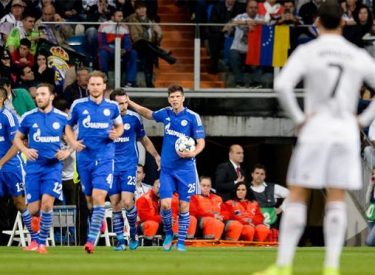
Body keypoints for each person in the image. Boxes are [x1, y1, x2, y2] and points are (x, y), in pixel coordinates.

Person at [254, 3, 375, 275]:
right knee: (336, 196)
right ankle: (331, 267)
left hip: (316, 128)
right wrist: (363, 121)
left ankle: (284, 265)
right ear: (343, 23)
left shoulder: (308, 51)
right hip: (345, 130)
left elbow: (282, 85)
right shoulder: (355, 54)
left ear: (318, 22)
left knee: (297, 194)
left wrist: (298, 118)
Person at [129, 84, 205, 252]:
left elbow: (201, 142)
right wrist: (130, 102)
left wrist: (193, 152)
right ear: (169, 99)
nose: (174, 100)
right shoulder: (166, 113)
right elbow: (148, 113)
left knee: (184, 206)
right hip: (167, 169)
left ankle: (181, 242)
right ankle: (169, 233)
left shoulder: (193, 117)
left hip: (186, 169)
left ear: (183, 98)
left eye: (177, 96)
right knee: (165, 204)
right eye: (171, 97)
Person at [65, 70, 124, 254]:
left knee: (99, 198)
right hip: (84, 158)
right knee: (90, 200)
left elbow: (119, 126)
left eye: (98, 84)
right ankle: (98, 222)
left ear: (104, 86)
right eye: (92, 84)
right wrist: (73, 142)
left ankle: (90, 242)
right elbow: (68, 126)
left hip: (105, 157)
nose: (95, 87)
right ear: (88, 86)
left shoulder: (112, 106)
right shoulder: (78, 105)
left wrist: (117, 133)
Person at [13, 83, 70, 254]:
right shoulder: (28, 117)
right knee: (33, 209)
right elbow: (17, 138)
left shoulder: (62, 117)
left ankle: (42, 243)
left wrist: (67, 151)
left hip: (52, 168)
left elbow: (73, 140)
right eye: (37, 94)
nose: (39, 97)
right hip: (33, 168)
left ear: (51, 96)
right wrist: (25, 149)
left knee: (47, 204)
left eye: (43, 94)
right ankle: (35, 241)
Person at [108, 88, 160, 251]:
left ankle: (132, 233)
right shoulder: (104, 120)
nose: (123, 107)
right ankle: (120, 241)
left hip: (128, 165)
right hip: (110, 166)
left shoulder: (134, 118)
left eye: (125, 103)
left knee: (128, 201)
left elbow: (144, 139)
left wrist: (156, 156)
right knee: (115, 204)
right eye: (119, 104)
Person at [0, 86, 36, 250]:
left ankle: (35, 239)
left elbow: (16, 144)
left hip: (10, 166)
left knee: (19, 202)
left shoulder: (9, 116)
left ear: (1, 99)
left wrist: (1, 162)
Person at [249, 163, 289, 241]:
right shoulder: (245, 189)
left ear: (265, 176)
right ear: (252, 174)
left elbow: (291, 195)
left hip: (272, 227)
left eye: (262, 174)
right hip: (252, 227)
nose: (259, 176)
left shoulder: (273, 187)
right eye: (257, 173)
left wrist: (281, 209)